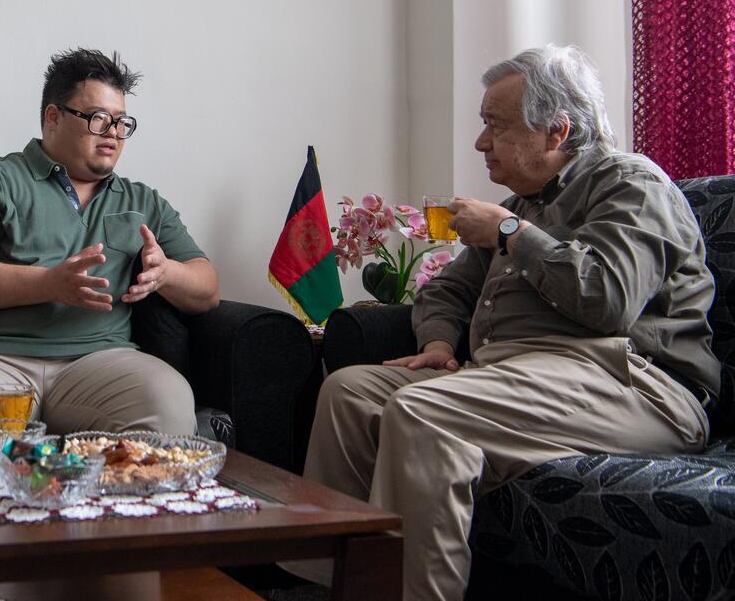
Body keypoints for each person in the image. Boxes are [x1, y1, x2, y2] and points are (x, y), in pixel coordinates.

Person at [293, 44, 718, 600]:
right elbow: (448, 288)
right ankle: (327, 586)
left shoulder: (632, 185)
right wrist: (439, 342)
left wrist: (510, 234)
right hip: (515, 375)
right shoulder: (523, 205)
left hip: (635, 384)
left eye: (495, 125)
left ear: (557, 131)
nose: (480, 142)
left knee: (425, 412)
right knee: (349, 392)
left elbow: (607, 298)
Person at [0, 49, 220, 438]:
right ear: (53, 116)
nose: (113, 133)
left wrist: (167, 273)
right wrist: (48, 283)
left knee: (167, 398)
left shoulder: (143, 201)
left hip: (98, 362)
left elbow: (207, 290)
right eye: (98, 118)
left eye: (121, 122)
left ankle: (111, 483)